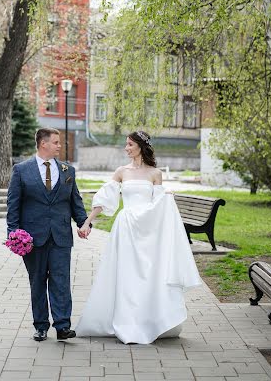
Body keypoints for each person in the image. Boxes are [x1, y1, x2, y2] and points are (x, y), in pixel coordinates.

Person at [76, 130, 202, 344]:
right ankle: (125, 321)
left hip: (147, 231)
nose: (126, 148)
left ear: (141, 147)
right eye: (126, 144)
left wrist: (166, 197)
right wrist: (88, 221)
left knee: (147, 274)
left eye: (130, 145)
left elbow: (158, 205)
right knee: (125, 274)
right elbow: (105, 198)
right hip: (125, 228)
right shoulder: (121, 171)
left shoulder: (155, 173)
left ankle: (146, 320)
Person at [7, 127, 90, 342]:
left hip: (61, 235)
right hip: (32, 237)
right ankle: (41, 326)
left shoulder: (67, 171)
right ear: (43, 143)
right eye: (55, 142)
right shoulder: (21, 170)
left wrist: (83, 223)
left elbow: (75, 201)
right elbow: (13, 205)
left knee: (61, 281)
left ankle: (63, 326)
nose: (59, 145)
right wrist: (13, 233)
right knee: (37, 281)